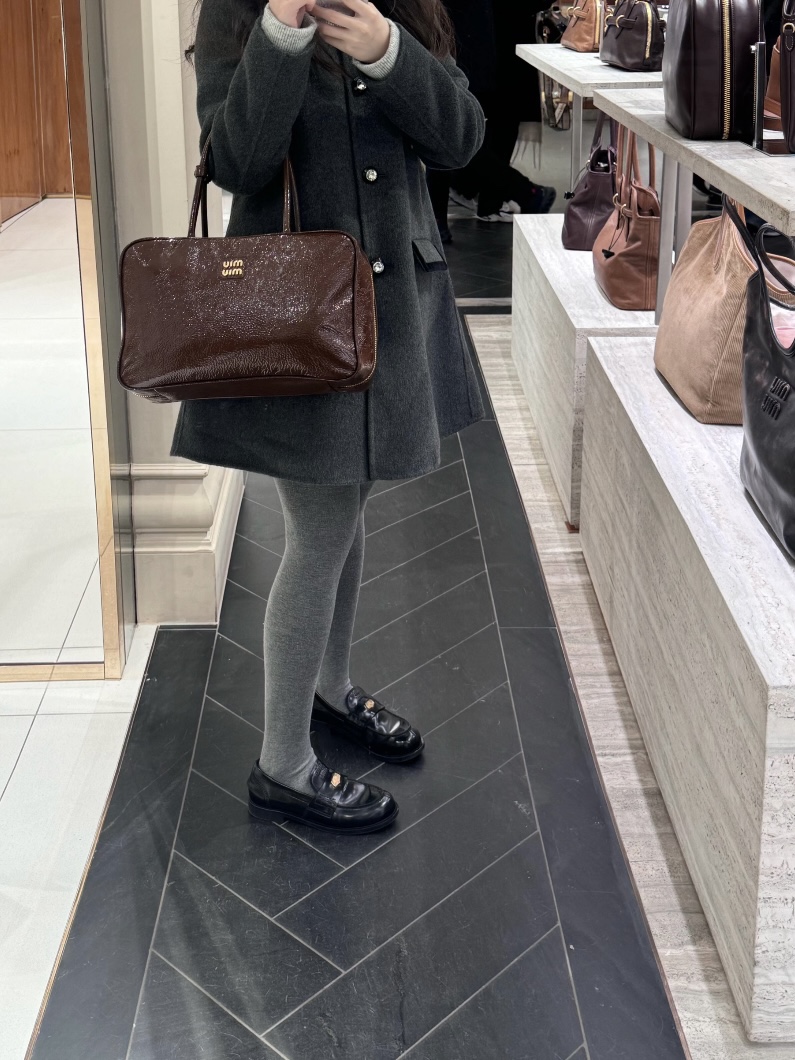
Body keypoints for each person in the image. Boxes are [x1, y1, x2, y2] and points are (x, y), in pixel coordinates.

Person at [176, 0, 486, 834]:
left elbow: (461, 140)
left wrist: (388, 49)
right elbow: (237, 161)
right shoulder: (240, 10)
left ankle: (330, 685)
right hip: (301, 317)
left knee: (345, 511)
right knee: (317, 532)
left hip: (393, 311)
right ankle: (283, 765)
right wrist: (281, 33)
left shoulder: (402, 7)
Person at [426, 0, 555, 238]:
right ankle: (518, 191)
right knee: (455, 127)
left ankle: (482, 203)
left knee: (470, 124)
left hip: (481, 38)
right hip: (475, 38)